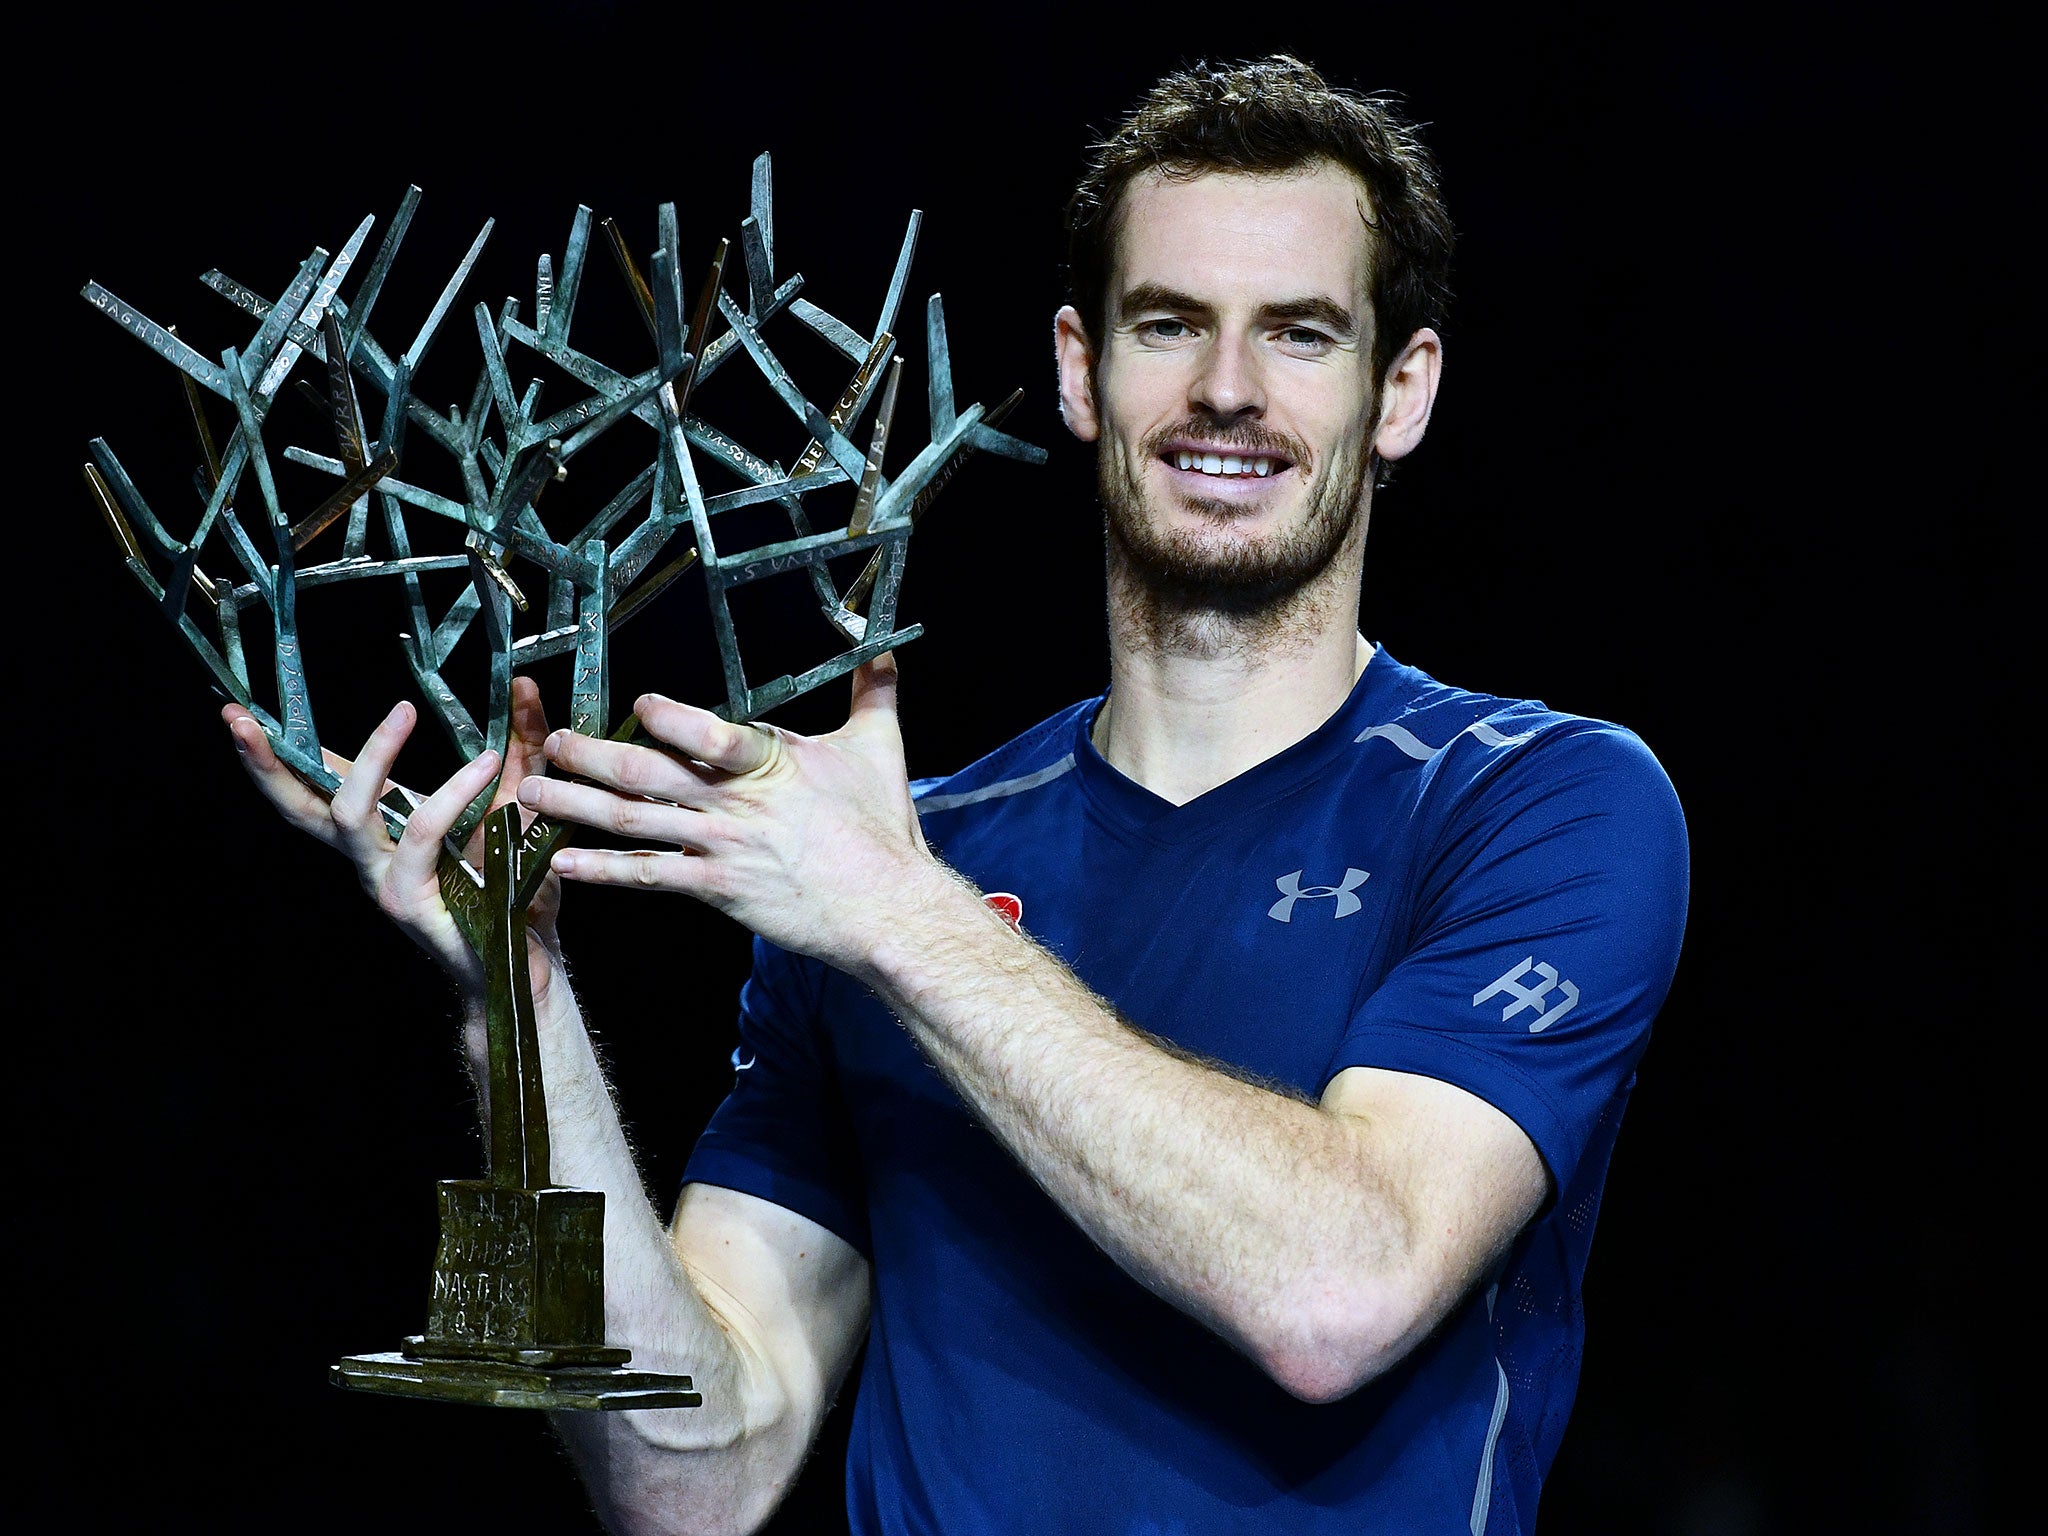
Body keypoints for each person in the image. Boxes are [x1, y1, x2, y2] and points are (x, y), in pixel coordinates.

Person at [226, 56, 1687, 1536]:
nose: (1228, 390)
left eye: (1300, 334)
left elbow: (1338, 1293)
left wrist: (896, 916)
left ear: (1403, 391)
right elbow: (689, 1479)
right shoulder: (900, 858)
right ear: (1077, 367)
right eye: (1167, 324)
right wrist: (512, 1001)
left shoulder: (1545, 807)